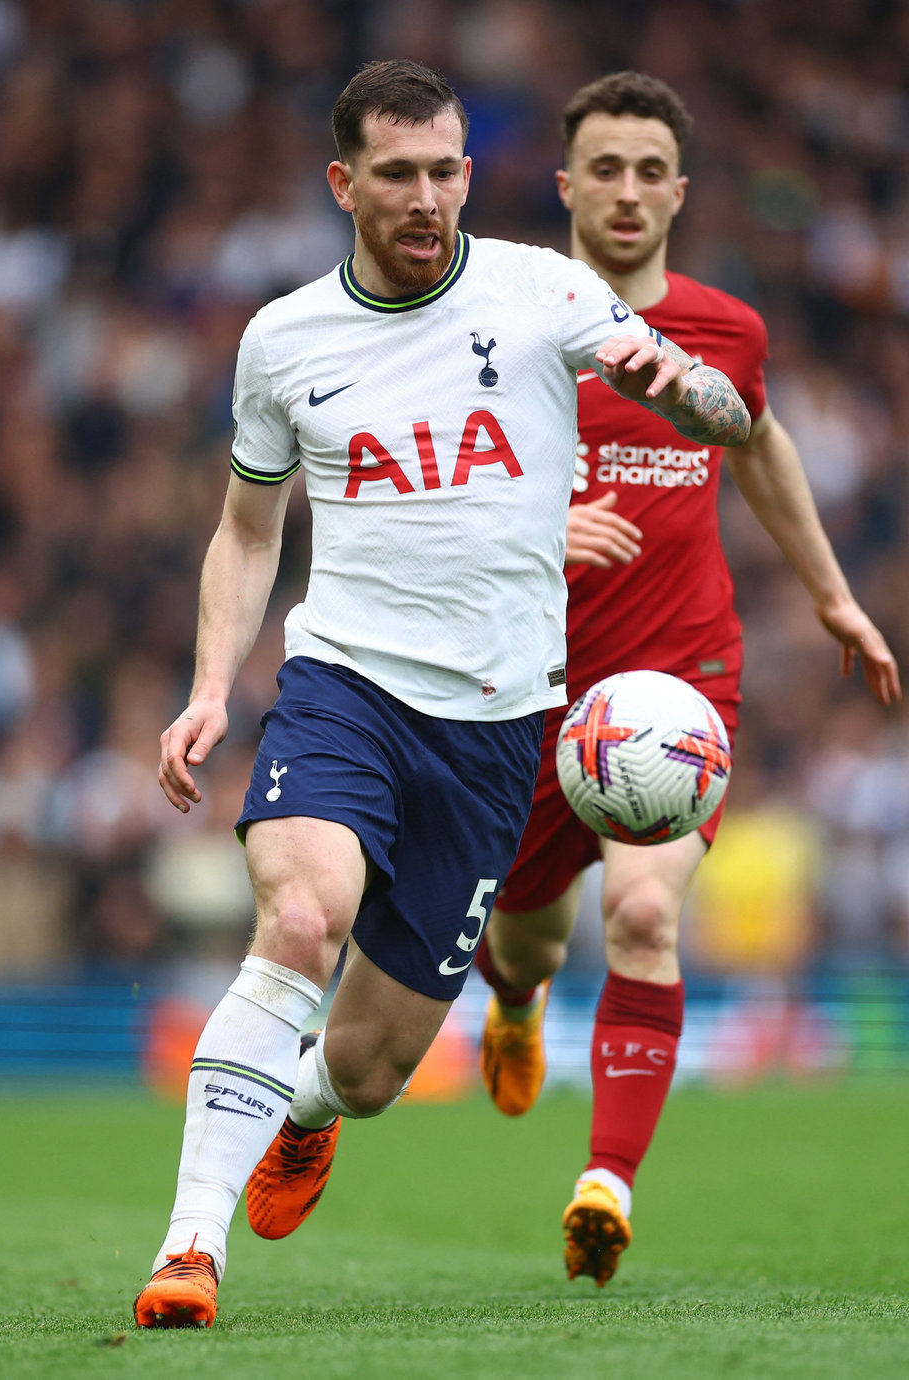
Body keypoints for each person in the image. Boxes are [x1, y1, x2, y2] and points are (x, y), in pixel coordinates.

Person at [138, 59, 753, 1329]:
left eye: (446, 172)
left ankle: (305, 1111)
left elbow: (653, 368)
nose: (427, 198)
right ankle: (190, 1246)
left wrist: (700, 397)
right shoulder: (283, 340)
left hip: (497, 731)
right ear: (343, 182)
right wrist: (210, 689)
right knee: (301, 920)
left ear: (469, 174)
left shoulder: (539, 287)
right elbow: (248, 533)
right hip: (344, 686)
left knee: (366, 1072)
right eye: (400, 174)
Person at [467, 72, 901, 1286]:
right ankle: (514, 1003)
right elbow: (445, 474)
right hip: (532, 686)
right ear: (564, 186)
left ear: (679, 192)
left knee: (648, 914)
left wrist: (831, 592)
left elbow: (757, 445)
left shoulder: (726, 331)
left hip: (676, 680)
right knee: (530, 935)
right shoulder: (502, 324)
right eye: (603, 168)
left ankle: (606, 1180)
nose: (625, 191)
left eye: (648, 171)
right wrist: (544, 517)